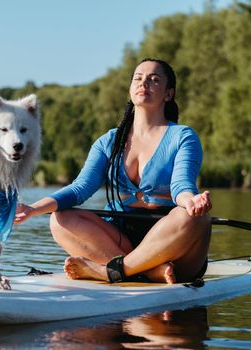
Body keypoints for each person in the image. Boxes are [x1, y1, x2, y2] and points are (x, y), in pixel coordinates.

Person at [14, 58, 212, 284]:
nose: (143, 83)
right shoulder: (108, 141)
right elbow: (80, 189)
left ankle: (109, 271)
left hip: (172, 240)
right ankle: (146, 271)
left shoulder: (183, 137)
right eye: (138, 78)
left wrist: (191, 201)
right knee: (60, 219)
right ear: (130, 90)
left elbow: (181, 186)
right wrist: (32, 209)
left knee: (197, 218)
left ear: (168, 94)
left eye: (154, 80)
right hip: (118, 238)